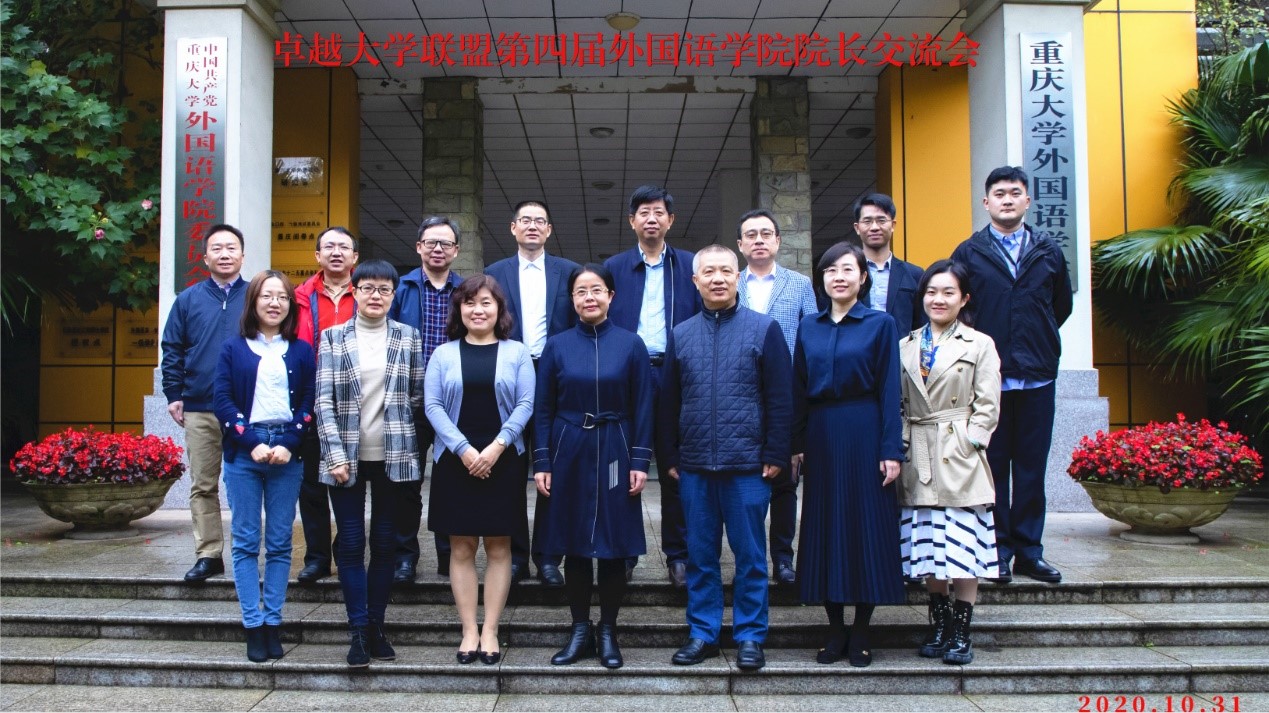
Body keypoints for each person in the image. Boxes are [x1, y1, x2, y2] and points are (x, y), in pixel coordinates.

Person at [660, 245, 793, 672]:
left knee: (751, 557)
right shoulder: (681, 334)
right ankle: (703, 632)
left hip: (748, 466)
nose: (718, 278)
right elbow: (669, 402)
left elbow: (780, 397)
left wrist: (776, 451)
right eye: (709, 272)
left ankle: (750, 635)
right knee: (700, 556)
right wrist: (670, 455)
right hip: (696, 466)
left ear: (738, 277)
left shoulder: (765, 329)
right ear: (695, 281)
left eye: (725, 271)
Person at [950, 166, 1073, 585]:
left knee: (1032, 468)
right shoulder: (969, 252)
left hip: (1037, 375)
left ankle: (1030, 552)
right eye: (999, 193)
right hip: (989, 380)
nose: (1007, 200)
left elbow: (1059, 306)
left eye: (1014, 193)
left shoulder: (1048, 250)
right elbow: (962, 308)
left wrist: (1035, 337)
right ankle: (997, 550)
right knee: (993, 466)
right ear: (986, 202)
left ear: (1027, 201)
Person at [533, 264, 654, 670]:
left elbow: (644, 406)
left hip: (616, 449)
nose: (589, 297)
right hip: (569, 448)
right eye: (581, 291)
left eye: (597, 290)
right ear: (572, 299)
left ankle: (608, 631)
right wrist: (542, 461)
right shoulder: (557, 346)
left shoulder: (631, 344)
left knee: (613, 544)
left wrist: (640, 460)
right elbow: (543, 408)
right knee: (575, 543)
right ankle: (580, 628)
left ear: (611, 296)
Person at [792, 241, 904, 668]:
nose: (838, 277)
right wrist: (795, 445)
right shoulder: (809, 326)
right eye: (830, 270)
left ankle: (862, 628)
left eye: (847, 269)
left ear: (863, 277)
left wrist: (890, 448)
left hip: (865, 429)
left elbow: (890, 390)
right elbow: (798, 389)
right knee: (825, 526)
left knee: (865, 527)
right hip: (821, 433)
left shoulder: (880, 324)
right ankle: (835, 627)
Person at [315, 260, 425, 668]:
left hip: (392, 456)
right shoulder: (332, 337)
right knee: (349, 543)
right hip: (345, 457)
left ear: (394, 295)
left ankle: (376, 625)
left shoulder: (408, 337)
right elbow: (323, 400)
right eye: (368, 288)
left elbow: (417, 395)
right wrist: (335, 454)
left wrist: (399, 434)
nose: (375, 295)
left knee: (383, 543)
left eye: (384, 289)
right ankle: (358, 630)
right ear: (354, 292)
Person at [424, 276, 535, 666]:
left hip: (503, 458)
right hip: (456, 460)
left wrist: (496, 446)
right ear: (460, 309)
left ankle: (491, 629)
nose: (478, 309)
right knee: (461, 546)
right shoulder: (443, 353)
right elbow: (433, 406)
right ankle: (469, 629)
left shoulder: (517, 352)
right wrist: (465, 449)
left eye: (486, 302)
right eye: (469, 302)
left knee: (500, 546)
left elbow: (525, 404)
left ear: (499, 309)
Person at [898, 259, 1002, 666]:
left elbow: (988, 404)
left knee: (961, 545)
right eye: (931, 292)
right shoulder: (906, 344)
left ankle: (961, 630)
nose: (938, 299)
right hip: (918, 450)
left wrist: (972, 440)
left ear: (964, 298)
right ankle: (939, 625)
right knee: (929, 544)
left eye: (948, 292)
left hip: (958, 451)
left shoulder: (979, 344)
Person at [213, 270, 315, 662]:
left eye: (283, 297)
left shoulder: (301, 350)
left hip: (287, 453)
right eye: (267, 296)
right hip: (245, 452)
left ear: (291, 305)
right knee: (244, 541)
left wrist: (289, 443)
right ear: (253, 301)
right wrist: (251, 442)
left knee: (279, 542)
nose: (275, 303)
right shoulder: (233, 348)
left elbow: (308, 401)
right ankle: (252, 624)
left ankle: (273, 620)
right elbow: (222, 400)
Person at [604, 185, 701, 587]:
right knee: (620, 462)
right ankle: (622, 552)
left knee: (675, 466)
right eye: (643, 212)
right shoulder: (613, 267)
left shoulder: (690, 265)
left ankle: (678, 555)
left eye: (659, 212)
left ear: (670, 220)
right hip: (627, 374)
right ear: (632, 221)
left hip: (676, 373)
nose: (651, 219)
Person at [484, 200, 580, 588]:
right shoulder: (494, 273)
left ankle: (549, 556)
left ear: (549, 229)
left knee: (552, 465)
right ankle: (515, 556)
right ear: (513, 228)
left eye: (540, 221)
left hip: (555, 371)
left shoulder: (568, 272)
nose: (533, 226)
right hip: (509, 372)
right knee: (510, 466)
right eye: (525, 220)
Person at [735, 208, 819, 586]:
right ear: (740, 244)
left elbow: (811, 341)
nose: (759, 240)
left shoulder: (799, 285)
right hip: (739, 396)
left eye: (766, 234)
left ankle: (783, 558)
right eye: (751, 235)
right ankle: (748, 557)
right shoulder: (730, 283)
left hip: (786, 396)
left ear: (778, 241)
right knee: (745, 484)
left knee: (785, 482)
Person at [161, 223, 247, 584]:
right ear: (205, 257)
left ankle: (247, 551)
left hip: (247, 408)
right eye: (217, 248)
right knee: (203, 484)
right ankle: (209, 554)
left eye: (231, 248)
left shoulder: (257, 296)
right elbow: (172, 348)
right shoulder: (188, 299)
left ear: (242, 255)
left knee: (246, 484)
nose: (225, 254)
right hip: (200, 405)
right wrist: (174, 394)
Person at [388, 216, 463, 584]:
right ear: (418, 247)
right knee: (407, 483)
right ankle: (405, 557)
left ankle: (449, 556)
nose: (437, 249)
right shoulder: (400, 290)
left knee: (451, 483)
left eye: (445, 243)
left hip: (455, 402)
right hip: (410, 400)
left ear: (456, 251)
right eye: (431, 242)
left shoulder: (466, 291)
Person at [292, 226, 360, 584]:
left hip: (357, 401)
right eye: (329, 247)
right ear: (317, 255)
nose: (336, 252)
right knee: (312, 485)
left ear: (354, 257)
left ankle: (345, 551)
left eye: (343, 247)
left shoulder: (365, 293)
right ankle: (317, 557)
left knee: (351, 483)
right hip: (310, 396)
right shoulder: (299, 298)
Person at [854, 193, 926, 333]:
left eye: (881, 220)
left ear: (893, 225)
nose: (874, 227)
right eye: (867, 221)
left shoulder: (914, 274)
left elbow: (922, 324)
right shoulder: (846, 274)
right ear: (857, 228)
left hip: (901, 346)